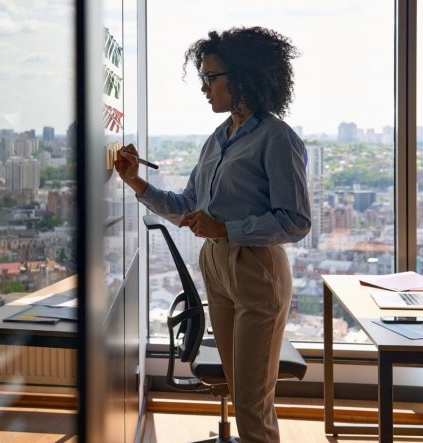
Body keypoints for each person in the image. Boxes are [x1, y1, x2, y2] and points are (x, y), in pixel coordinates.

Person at [115, 26, 311, 442]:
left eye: (211, 77)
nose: (204, 88)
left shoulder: (277, 139)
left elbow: (296, 221)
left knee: (251, 405)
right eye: (202, 78)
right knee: (244, 392)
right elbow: (189, 204)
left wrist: (226, 227)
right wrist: (137, 183)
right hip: (217, 267)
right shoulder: (216, 140)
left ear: (240, 78)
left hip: (257, 270)